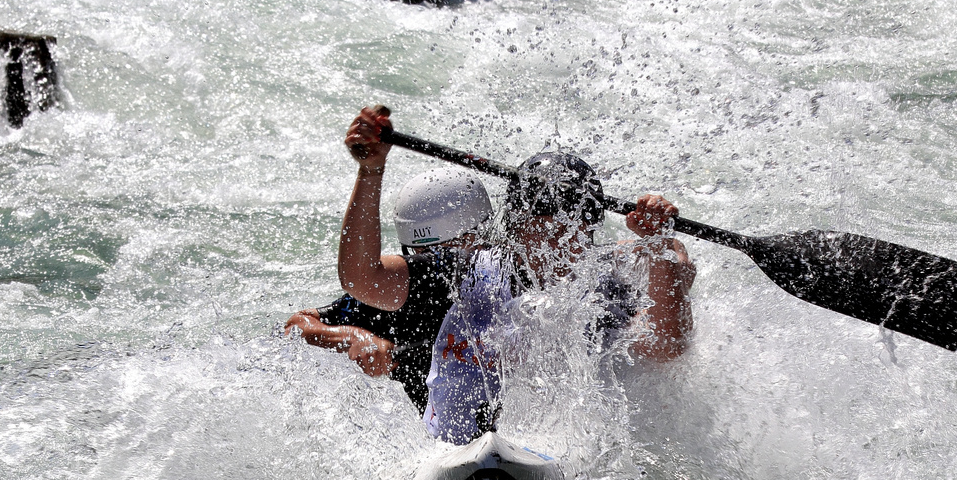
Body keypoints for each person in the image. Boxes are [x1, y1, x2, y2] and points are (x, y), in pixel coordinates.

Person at [335, 105, 696, 444]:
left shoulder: (602, 290)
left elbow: (666, 346)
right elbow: (361, 279)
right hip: (448, 456)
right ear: (515, 228)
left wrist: (660, 242)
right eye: (541, 231)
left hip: (555, 456)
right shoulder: (460, 272)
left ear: (587, 235)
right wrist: (371, 171)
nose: (556, 247)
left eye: (570, 232)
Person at [284, 137, 493, 410]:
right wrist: (351, 339)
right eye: (434, 255)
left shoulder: (512, 272)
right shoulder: (415, 288)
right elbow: (296, 326)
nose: (448, 264)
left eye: (455, 251)